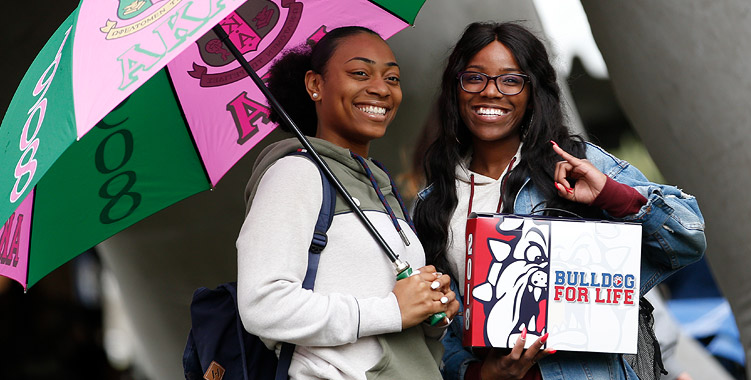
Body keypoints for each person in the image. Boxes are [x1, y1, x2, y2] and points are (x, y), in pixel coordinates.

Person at [412, 22, 707, 380]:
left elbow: (687, 235)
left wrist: (612, 194)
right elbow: (439, 330)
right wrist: (479, 373)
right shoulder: (433, 204)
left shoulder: (578, 164)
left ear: (534, 91)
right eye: (475, 77)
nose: (490, 92)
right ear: (455, 88)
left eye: (510, 79)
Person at [236, 26, 458, 380]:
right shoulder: (295, 174)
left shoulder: (380, 185)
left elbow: (394, 323)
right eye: (360, 73)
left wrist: (432, 309)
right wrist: (391, 310)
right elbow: (263, 306)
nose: (381, 88)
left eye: (392, 77)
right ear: (315, 85)